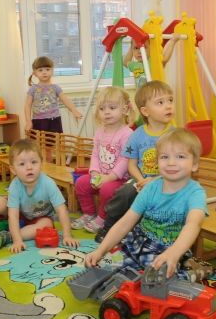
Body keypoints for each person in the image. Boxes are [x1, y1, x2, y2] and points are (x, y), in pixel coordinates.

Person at [85, 128, 208, 280]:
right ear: (157, 163)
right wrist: (100, 251)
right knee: (107, 270)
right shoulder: (150, 188)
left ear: (194, 164)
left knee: (157, 280)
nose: (171, 163)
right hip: (137, 243)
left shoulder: (195, 193)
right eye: (164, 157)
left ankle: (192, 271)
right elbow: (125, 222)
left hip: (170, 249)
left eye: (180, 156)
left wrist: (174, 253)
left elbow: (193, 224)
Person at [94, 80, 176, 243]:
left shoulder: (176, 135)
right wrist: (140, 181)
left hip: (167, 181)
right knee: (125, 192)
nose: (168, 106)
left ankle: (149, 232)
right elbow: (131, 165)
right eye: (160, 102)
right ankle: (109, 226)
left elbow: (178, 166)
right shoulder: (137, 135)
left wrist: (155, 180)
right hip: (140, 179)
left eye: (170, 100)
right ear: (145, 111)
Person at [0, 139, 80, 253]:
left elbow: (61, 210)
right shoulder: (14, 185)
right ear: (13, 169)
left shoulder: (48, 183)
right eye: (22, 164)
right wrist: (17, 241)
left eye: (34, 162)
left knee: (47, 224)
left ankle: (7, 236)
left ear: (41, 164)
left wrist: (67, 235)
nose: (29, 167)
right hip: (21, 215)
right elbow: (13, 215)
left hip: (41, 218)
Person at [71, 87, 134, 234]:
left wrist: (109, 177)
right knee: (81, 183)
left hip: (119, 179)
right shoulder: (99, 132)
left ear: (124, 110)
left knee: (107, 190)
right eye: (102, 108)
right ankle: (89, 213)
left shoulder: (127, 133)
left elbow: (125, 160)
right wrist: (94, 172)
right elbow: (95, 154)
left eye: (112, 108)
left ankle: (102, 218)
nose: (106, 112)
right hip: (100, 175)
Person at [25, 56, 83, 159]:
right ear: (35, 73)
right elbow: (27, 106)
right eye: (40, 70)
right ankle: (41, 165)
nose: (44, 72)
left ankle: (50, 164)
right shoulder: (33, 89)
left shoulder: (55, 88)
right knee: (39, 146)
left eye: (47, 69)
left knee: (50, 147)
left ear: (52, 71)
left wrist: (74, 110)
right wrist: (28, 121)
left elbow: (65, 100)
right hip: (39, 121)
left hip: (54, 121)